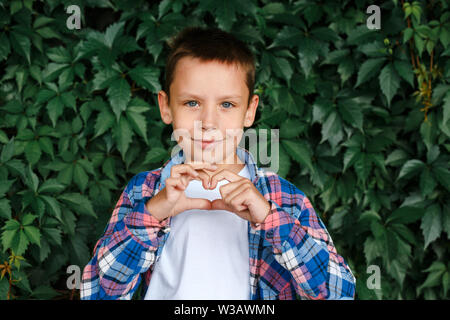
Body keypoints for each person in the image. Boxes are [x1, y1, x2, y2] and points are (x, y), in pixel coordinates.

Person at [80, 26, 356, 300]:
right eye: (191, 103)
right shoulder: (145, 191)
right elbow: (98, 292)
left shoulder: (283, 199)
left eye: (226, 105)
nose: (208, 122)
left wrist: (270, 219)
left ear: (249, 111)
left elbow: (339, 292)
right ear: (166, 107)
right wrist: (152, 213)